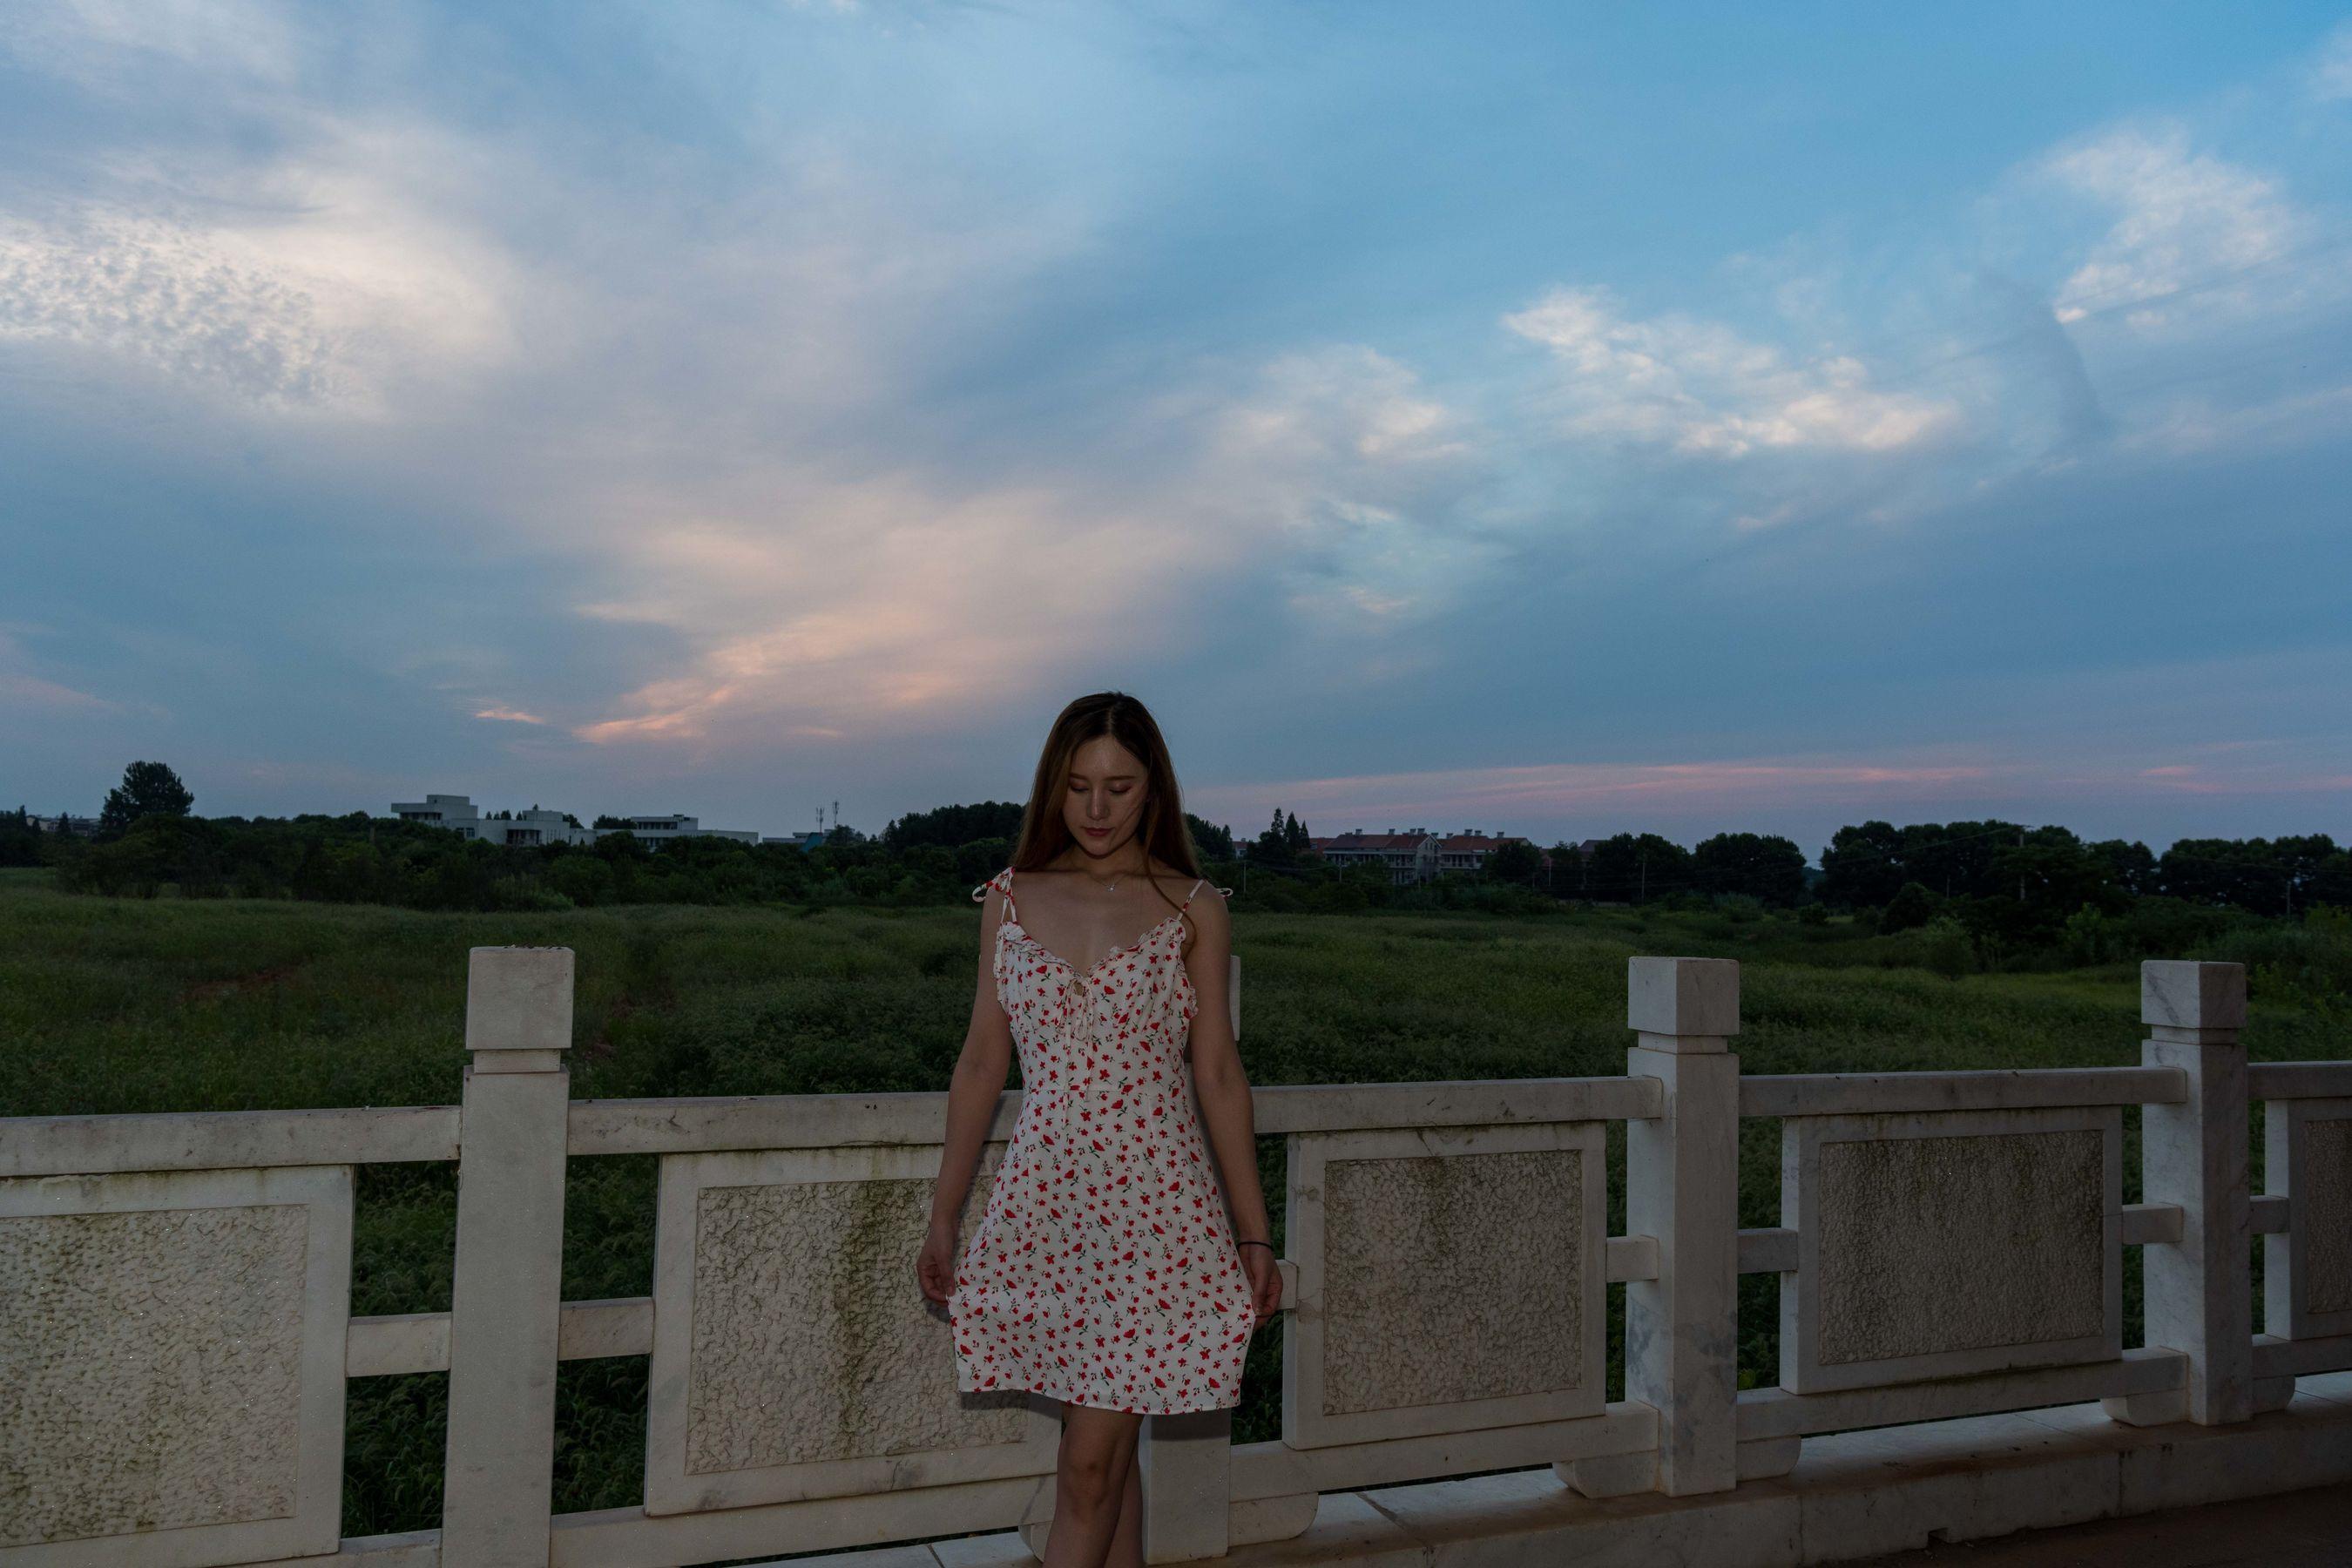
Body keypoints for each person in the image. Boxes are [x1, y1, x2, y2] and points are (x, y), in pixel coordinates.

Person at [916, 691, 1281, 1568]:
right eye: (1078, 786)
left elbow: (1218, 1075)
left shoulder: (1193, 906)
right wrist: (944, 1214)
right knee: (1107, 1466)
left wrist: (1254, 1232)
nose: (1096, 809)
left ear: (1153, 788)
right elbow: (981, 1062)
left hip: (1160, 1220)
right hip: (1048, 1215)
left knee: (1085, 1469)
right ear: (1054, 786)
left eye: (1119, 788)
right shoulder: (1008, 899)